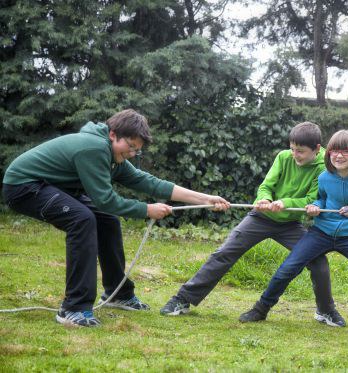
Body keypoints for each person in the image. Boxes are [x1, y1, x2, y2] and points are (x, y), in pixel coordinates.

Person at [2, 109, 230, 327]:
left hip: (53, 187)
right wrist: (146, 209)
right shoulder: (93, 148)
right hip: (24, 187)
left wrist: (206, 199)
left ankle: (117, 293)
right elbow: (105, 199)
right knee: (82, 220)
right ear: (113, 134)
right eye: (130, 147)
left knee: (107, 219)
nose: (131, 154)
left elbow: (150, 183)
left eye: (136, 150)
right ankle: (73, 309)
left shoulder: (114, 154)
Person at [160, 122, 346, 327]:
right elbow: (266, 186)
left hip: (290, 223)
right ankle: (183, 299)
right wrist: (265, 199)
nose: (295, 155)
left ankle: (325, 310)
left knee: (318, 260)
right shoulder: (283, 157)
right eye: (292, 149)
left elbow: (311, 200)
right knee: (225, 252)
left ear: (317, 149)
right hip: (260, 217)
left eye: (300, 152)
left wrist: (285, 204)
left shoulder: (324, 168)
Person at [238, 130, 348, 337]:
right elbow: (321, 199)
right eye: (334, 151)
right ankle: (260, 309)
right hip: (321, 232)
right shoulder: (325, 177)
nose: (338, 156)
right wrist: (315, 206)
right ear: (328, 154)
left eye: (344, 152)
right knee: (288, 268)